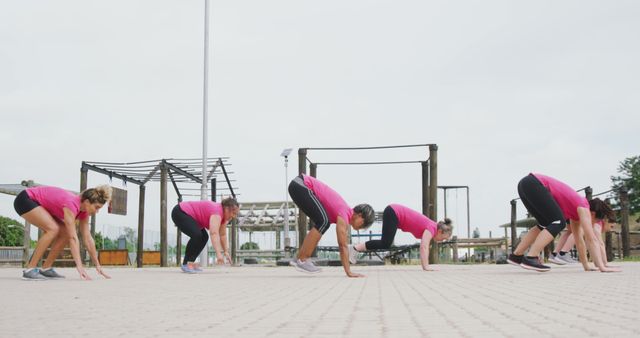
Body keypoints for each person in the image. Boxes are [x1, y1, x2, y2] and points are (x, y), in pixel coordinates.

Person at [507, 173, 619, 272]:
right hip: (535, 183)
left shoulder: (576, 212)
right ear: (593, 214)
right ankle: (531, 258)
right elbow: (591, 239)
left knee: (544, 223)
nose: (594, 224)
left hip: (525, 184)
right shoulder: (584, 207)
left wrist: (586, 266)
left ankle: (516, 256)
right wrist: (602, 267)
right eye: (596, 221)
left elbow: (579, 241)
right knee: (559, 222)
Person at [14, 185, 113, 280]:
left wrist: (97, 265)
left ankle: (46, 269)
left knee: (65, 233)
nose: (97, 211)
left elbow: (87, 238)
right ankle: (29, 270)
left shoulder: (84, 212)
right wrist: (79, 266)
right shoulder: (72, 204)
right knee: (53, 229)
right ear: (87, 202)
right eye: (96, 207)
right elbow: (73, 238)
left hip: (38, 204)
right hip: (25, 199)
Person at [288, 174, 375, 277]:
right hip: (301, 185)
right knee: (323, 222)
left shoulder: (344, 213)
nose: (362, 228)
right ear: (360, 216)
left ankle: (299, 258)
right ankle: (302, 260)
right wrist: (349, 272)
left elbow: (343, 244)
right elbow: (342, 245)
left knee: (323, 221)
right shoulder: (344, 213)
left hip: (298, 186)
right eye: (364, 224)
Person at [348, 204, 453, 271]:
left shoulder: (432, 227)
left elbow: (425, 246)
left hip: (393, 212)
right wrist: (426, 266)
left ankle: (354, 248)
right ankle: (354, 248)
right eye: (443, 238)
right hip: (394, 212)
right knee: (385, 243)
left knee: (385, 242)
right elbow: (423, 247)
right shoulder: (432, 228)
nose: (441, 241)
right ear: (440, 231)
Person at [171, 197, 239, 273]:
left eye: (236, 214)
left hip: (189, 216)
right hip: (180, 212)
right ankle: (186, 263)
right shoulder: (217, 212)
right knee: (197, 235)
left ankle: (190, 263)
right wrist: (219, 254)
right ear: (226, 208)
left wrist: (226, 251)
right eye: (233, 213)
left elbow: (222, 235)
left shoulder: (223, 218)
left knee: (204, 237)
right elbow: (214, 233)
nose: (234, 216)